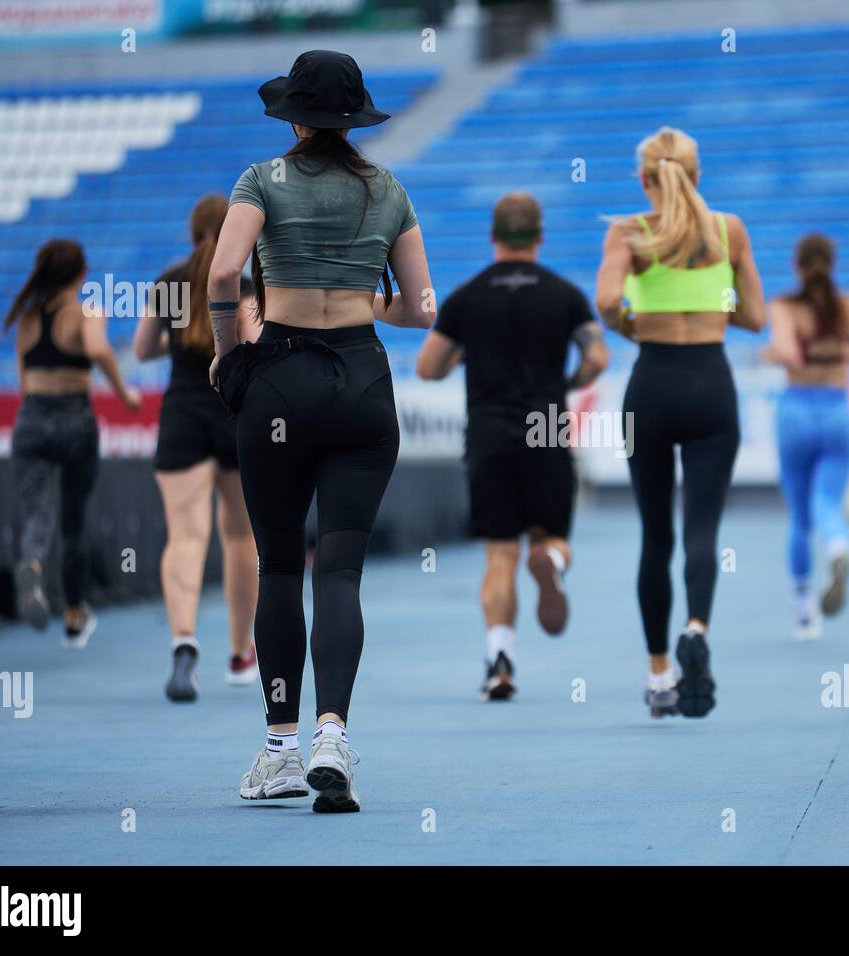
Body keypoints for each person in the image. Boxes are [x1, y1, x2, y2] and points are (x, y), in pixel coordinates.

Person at [208, 50, 434, 812]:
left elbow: (220, 277)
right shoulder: (388, 189)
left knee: (278, 565)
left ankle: (278, 749)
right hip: (364, 384)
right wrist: (360, 304)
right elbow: (422, 307)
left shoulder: (260, 180)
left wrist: (227, 354)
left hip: (280, 380)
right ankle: (334, 733)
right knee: (339, 571)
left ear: (295, 119)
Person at [595, 127, 765, 719]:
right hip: (712, 386)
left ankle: (660, 672)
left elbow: (607, 300)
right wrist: (711, 302)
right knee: (702, 528)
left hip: (653, 386)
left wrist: (634, 325)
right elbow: (756, 315)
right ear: (697, 176)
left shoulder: (630, 232)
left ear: (643, 179)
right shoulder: (729, 230)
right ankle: (696, 627)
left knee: (654, 536)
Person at [416, 192, 608, 700]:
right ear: (540, 236)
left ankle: (500, 662)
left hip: (488, 431)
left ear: (493, 236)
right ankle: (554, 564)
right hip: (545, 424)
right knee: (550, 538)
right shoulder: (565, 295)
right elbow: (598, 359)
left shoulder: (467, 297)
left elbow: (427, 368)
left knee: (499, 554)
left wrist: (465, 354)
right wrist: (566, 380)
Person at [132, 195, 260, 701]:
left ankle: (184, 641)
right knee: (239, 537)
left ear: (190, 231)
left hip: (181, 415)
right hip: (230, 414)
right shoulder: (244, 285)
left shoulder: (168, 283)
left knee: (186, 536)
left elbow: (142, 349)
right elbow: (253, 345)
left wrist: (179, 339)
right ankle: (239, 650)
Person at [6, 239, 141, 647]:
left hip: (31, 418)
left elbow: (23, 381)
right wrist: (124, 392)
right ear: (82, 274)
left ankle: (31, 563)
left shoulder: (26, 319)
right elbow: (99, 349)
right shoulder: (87, 313)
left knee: (38, 514)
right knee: (73, 520)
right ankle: (73, 611)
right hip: (74, 419)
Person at [766, 234, 849, 641]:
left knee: (799, 518)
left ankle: (804, 612)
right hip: (838, 410)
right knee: (828, 502)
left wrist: (769, 354)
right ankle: (839, 547)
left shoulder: (786, 307)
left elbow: (789, 353)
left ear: (797, 265)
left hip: (796, 411)